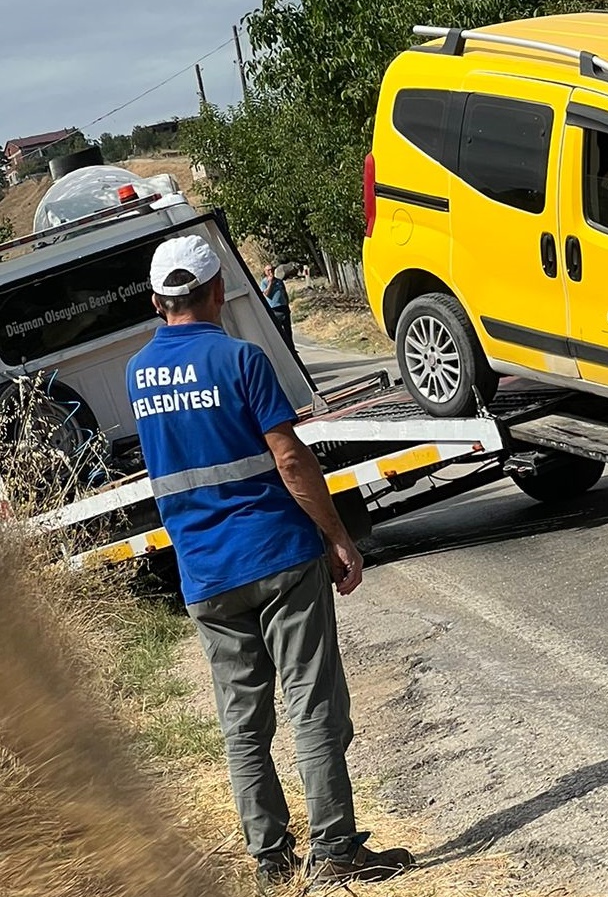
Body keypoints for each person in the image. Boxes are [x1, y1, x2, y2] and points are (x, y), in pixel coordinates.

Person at [125, 235, 415, 888]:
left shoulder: (138, 373)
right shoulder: (240, 358)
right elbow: (288, 457)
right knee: (312, 705)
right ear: (217, 290)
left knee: (242, 724)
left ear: (155, 300)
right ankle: (336, 848)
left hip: (203, 572)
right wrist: (339, 536)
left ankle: (270, 860)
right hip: (278, 556)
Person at [260, 264, 295, 353]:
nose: (270, 272)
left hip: (283, 308)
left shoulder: (279, 281)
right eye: (268, 270)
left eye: (271, 270)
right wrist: (270, 282)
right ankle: (282, 350)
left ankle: (292, 349)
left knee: (288, 330)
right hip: (274, 309)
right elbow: (267, 294)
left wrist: (287, 304)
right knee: (278, 331)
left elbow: (284, 293)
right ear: (265, 272)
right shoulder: (264, 282)